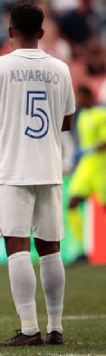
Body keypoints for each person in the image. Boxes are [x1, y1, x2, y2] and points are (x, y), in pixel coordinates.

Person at [0, 2, 75, 346]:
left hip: (13, 169)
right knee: (51, 248)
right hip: (49, 167)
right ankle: (57, 327)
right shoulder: (61, 68)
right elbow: (67, 121)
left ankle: (30, 329)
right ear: (42, 33)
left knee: (17, 247)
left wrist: (9, 124)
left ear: (10, 31)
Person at [67, 86, 106, 261]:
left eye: (80, 97)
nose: (78, 101)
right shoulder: (81, 116)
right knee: (72, 204)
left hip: (101, 167)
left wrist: (89, 149)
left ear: (88, 96)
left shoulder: (101, 114)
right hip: (86, 167)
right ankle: (81, 249)